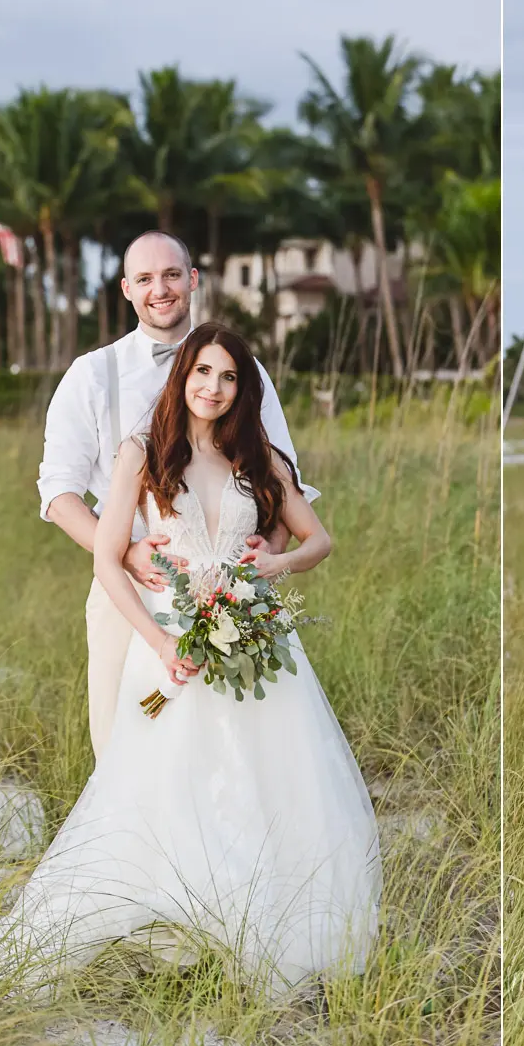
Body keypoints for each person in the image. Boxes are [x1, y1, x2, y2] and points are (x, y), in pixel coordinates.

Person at [0, 323, 380, 1000]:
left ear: (243, 389)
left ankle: (252, 919)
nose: (213, 386)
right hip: (170, 642)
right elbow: (108, 558)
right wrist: (160, 642)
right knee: (162, 778)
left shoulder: (257, 454)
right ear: (183, 378)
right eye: (203, 372)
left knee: (266, 778)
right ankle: (171, 924)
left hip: (254, 636)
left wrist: (278, 562)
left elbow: (317, 538)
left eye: (228, 377)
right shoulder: (143, 452)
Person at [37, 230, 315, 761]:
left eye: (170, 275)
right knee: (125, 754)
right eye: (144, 279)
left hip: (231, 600)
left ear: (192, 280)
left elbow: (283, 479)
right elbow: (57, 491)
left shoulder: (243, 370)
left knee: (241, 758)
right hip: (126, 594)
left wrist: (262, 563)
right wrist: (120, 550)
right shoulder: (93, 374)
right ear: (126, 289)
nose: (159, 289)